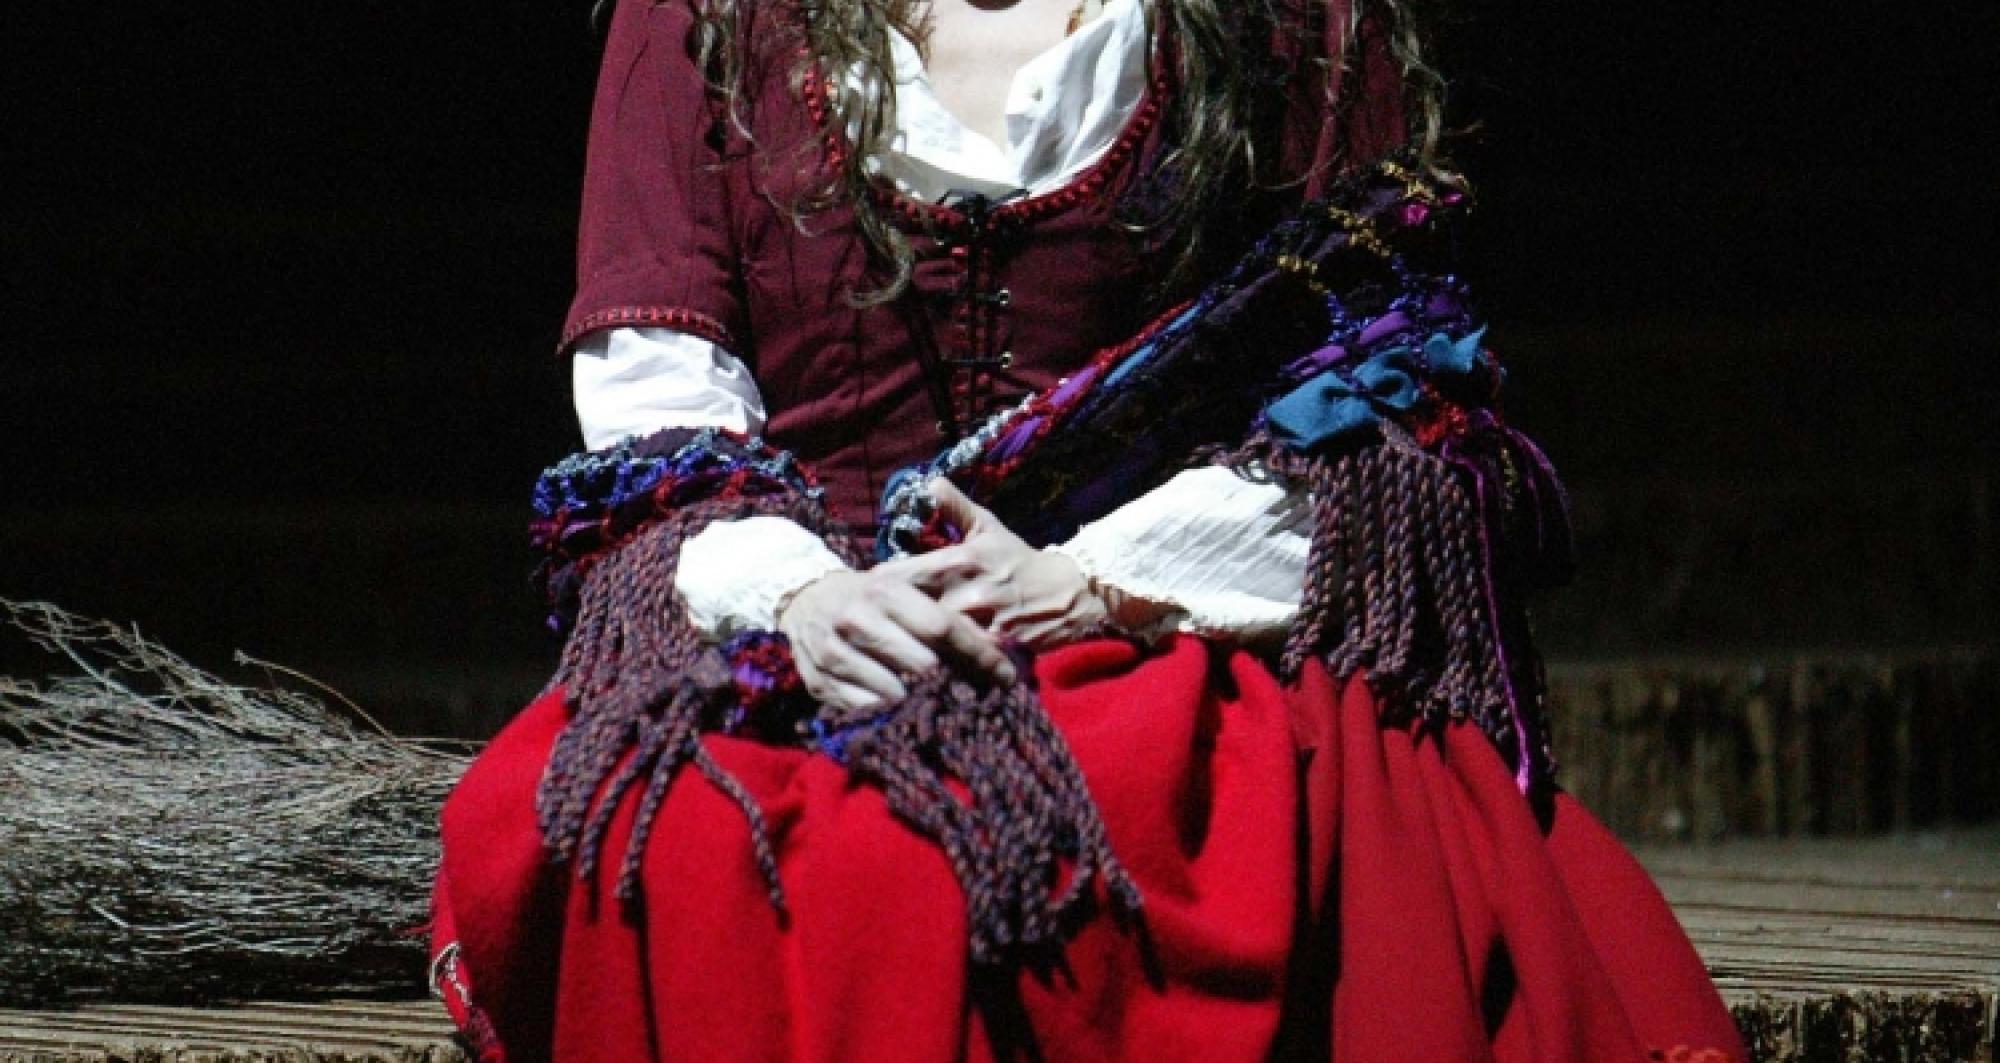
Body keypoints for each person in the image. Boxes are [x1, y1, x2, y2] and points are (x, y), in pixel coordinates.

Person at [428, 0, 1749, 1059]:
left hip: (1159, 623)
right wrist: (804, 598)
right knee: (695, 840)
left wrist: (1094, 579)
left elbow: (1393, 392)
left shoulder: (1288, 22)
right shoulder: (709, 21)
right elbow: (660, 406)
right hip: (809, 620)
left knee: (1154, 826)